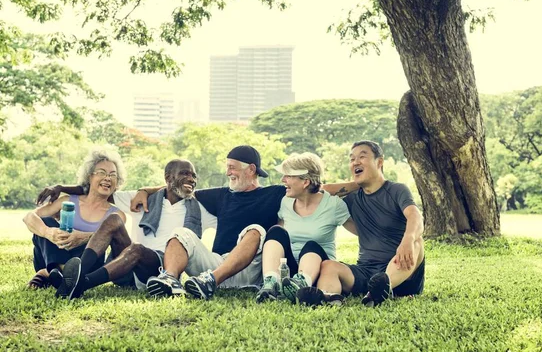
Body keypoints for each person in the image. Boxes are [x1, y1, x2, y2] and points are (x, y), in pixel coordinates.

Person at [134, 145, 354, 300]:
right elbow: (183, 188)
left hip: (250, 269)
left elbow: (318, 188)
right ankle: (170, 279)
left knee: (257, 229)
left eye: (232, 166)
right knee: (181, 233)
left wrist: (363, 183)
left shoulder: (278, 193)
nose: (228, 172)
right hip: (216, 263)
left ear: (251, 169)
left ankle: (211, 281)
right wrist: (146, 190)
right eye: (227, 166)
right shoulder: (220, 194)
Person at [36, 159, 216, 299]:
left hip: (157, 270)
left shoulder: (199, 209)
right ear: (168, 178)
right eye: (184, 173)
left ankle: (80, 284)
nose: (191, 179)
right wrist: (61, 188)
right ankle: (78, 273)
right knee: (114, 219)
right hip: (125, 268)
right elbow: (99, 190)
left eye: (194, 176)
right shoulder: (142, 200)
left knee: (137, 249)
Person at [297, 140, 425, 307]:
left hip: (401, 271)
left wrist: (407, 239)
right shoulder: (353, 198)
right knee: (328, 266)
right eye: (352, 159)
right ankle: (329, 298)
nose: (355, 162)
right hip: (366, 271)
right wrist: (355, 184)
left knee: (417, 242)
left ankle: (383, 288)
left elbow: (415, 215)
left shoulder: (396, 190)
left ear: (379, 162)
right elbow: (320, 191)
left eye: (362, 157)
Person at [256, 152, 354, 304]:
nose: (283, 180)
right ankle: (271, 284)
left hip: (319, 270)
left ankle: (302, 283)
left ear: (305, 182)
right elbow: (277, 241)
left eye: (288, 176)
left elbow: (362, 232)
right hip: (291, 274)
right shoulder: (286, 203)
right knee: (275, 231)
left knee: (311, 245)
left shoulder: (333, 205)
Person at [23, 148, 127, 290]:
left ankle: (49, 273)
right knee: (46, 221)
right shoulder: (68, 201)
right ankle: (58, 270)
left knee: (93, 245)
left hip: (84, 264)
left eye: (113, 175)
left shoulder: (116, 214)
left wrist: (82, 237)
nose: (108, 178)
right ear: (90, 177)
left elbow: (110, 238)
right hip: (52, 254)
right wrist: (49, 233)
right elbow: (29, 217)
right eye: (102, 173)